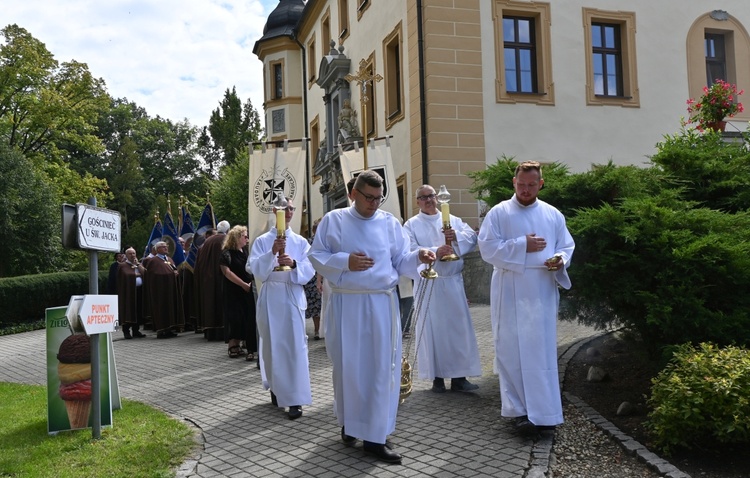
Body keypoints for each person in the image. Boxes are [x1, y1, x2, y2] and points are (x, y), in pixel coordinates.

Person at [309, 170, 436, 464]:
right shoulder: (335, 220)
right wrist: (346, 262)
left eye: (379, 198)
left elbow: (401, 260)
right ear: (353, 193)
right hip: (347, 304)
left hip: (381, 303)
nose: (374, 204)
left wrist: (420, 256)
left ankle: (376, 436)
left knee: (381, 368)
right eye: (369, 198)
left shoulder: (390, 223)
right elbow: (317, 255)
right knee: (349, 367)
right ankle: (351, 423)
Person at [477, 160, 575, 437]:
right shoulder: (499, 213)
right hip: (509, 287)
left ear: (540, 184)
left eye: (532, 185)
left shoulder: (553, 214)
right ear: (514, 182)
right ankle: (519, 411)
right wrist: (523, 245)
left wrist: (560, 259)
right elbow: (486, 249)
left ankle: (545, 414)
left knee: (540, 349)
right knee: (511, 348)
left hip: (541, 288)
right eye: (521, 184)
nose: (526, 190)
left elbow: (566, 244)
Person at [403, 184, 482, 393]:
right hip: (429, 284)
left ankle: (459, 377)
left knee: (457, 330)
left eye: (431, 196)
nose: (428, 200)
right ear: (417, 201)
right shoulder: (411, 225)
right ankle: (437, 378)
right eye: (423, 197)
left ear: (437, 198)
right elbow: (407, 251)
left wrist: (456, 237)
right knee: (433, 331)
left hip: (452, 282)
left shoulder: (453, 220)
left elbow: (471, 237)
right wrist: (435, 251)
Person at [248, 200, 314, 420]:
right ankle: (277, 388)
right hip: (271, 295)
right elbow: (253, 267)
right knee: (272, 344)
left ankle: (295, 398)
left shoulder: (301, 241)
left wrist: (294, 264)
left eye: (291, 209)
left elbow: (311, 267)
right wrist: (271, 253)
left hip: (292, 292)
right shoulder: (262, 241)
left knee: (295, 345)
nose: (288, 213)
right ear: (274, 212)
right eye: (283, 209)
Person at [220, 226, 257, 360]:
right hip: (233, 290)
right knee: (234, 317)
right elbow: (227, 272)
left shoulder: (245, 251)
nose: (247, 239)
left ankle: (246, 341)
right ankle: (233, 344)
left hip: (246, 289)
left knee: (246, 316)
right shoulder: (226, 253)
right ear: (236, 238)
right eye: (244, 236)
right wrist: (243, 285)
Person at [194, 221, 229, 341]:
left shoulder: (207, 242)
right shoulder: (226, 240)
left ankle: (210, 332)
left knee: (210, 305)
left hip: (207, 278)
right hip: (222, 276)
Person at [142, 241, 183, 338]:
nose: (166, 248)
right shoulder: (153, 261)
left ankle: (170, 329)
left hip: (171, 289)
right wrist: (170, 274)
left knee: (171, 309)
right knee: (162, 310)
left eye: (166, 246)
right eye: (164, 247)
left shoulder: (168, 259)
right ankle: (162, 331)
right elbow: (153, 275)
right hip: (160, 291)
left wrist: (175, 272)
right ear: (158, 249)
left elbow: (173, 269)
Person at [117, 247, 146, 339]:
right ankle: (126, 331)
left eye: (134, 253)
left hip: (139, 291)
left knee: (138, 311)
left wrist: (138, 264)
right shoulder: (122, 266)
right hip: (128, 293)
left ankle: (136, 330)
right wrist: (136, 275)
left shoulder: (138, 264)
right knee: (128, 311)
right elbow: (124, 277)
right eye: (130, 253)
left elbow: (145, 273)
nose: (132, 255)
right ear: (126, 255)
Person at [303, 219, 322, 340]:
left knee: (317, 306)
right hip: (314, 277)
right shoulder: (310, 242)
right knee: (317, 306)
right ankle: (317, 329)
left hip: (313, 278)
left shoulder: (312, 242)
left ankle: (318, 330)